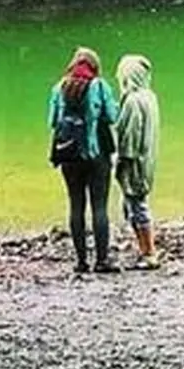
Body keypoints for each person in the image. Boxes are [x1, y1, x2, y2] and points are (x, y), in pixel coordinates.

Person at [48, 47, 120, 274]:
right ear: (95, 66)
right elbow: (111, 116)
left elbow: (52, 121)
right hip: (97, 153)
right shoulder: (99, 86)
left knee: (75, 205)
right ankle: (102, 260)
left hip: (68, 153)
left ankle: (81, 262)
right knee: (99, 206)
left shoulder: (59, 88)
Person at [114, 54, 161, 270]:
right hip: (147, 157)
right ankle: (143, 248)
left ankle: (149, 253)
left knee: (137, 206)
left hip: (135, 162)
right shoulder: (149, 96)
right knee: (131, 205)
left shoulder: (133, 101)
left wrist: (122, 159)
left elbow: (130, 136)